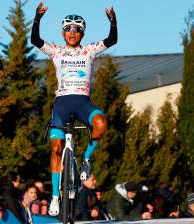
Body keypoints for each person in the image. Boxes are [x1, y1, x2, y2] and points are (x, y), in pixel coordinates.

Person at [31, 2, 117, 216]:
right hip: (61, 103)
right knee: (56, 148)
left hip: (83, 103)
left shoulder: (89, 51)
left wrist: (113, 21)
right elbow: (35, 40)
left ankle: (86, 159)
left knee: (101, 123)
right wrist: (37, 18)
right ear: (62, 32)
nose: (72, 32)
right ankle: (54, 198)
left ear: (82, 33)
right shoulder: (56, 51)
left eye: (77, 29)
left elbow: (111, 40)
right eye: (68, 28)